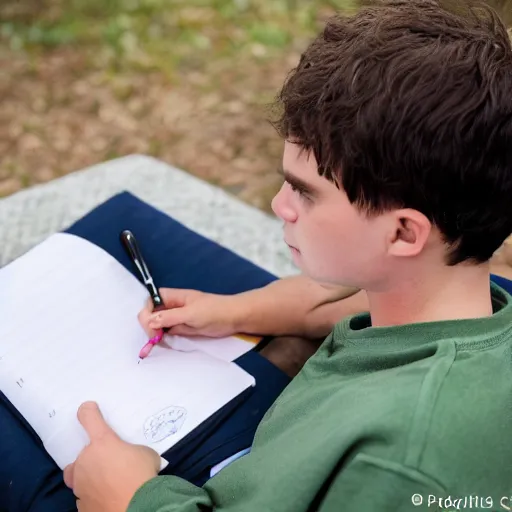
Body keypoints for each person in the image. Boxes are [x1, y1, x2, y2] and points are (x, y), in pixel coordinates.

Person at [16, 0, 512, 510]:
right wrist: (236, 311)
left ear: (405, 233)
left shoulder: (399, 470)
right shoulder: (459, 294)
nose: (279, 205)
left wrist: (133, 498)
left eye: (305, 192)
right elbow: (351, 298)